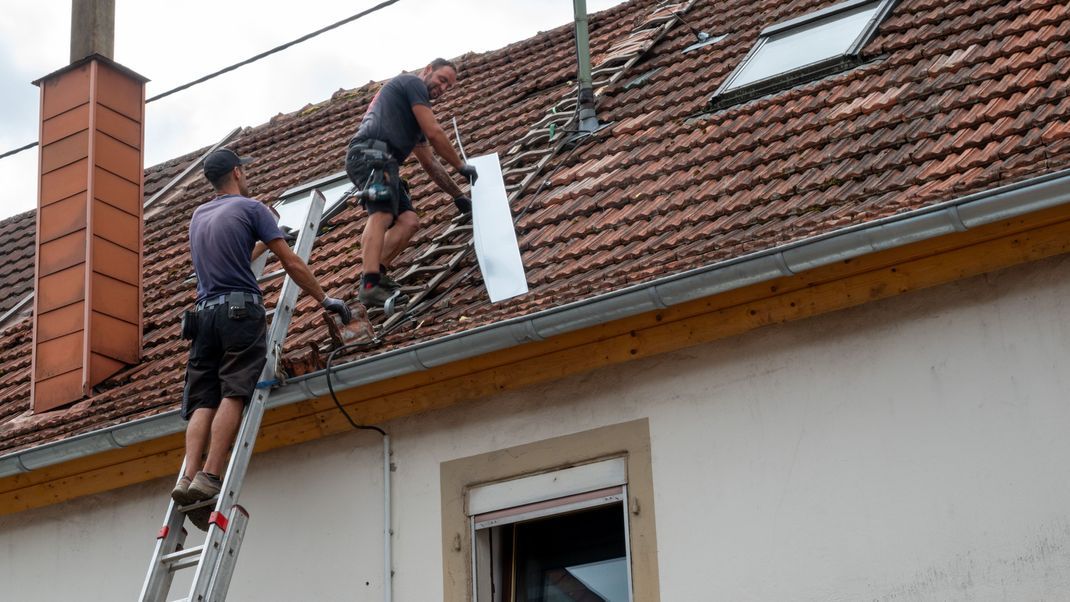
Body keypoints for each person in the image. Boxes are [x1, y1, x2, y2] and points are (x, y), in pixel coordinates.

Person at [172, 148, 352, 528]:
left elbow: (233, 255)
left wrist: (261, 242)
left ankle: (188, 478)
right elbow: (290, 262)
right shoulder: (254, 209)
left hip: (203, 316)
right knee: (235, 390)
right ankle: (210, 476)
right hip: (238, 313)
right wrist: (325, 298)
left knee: (203, 398)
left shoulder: (198, 216)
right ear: (237, 172)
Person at [345, 57, 479, 307]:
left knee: (408, 221)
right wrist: (461, 166)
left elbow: (430, 163)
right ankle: (370, 284)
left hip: (386, 161)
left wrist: (457, 196)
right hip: (371, 152)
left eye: (448, 86)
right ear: (428, 70)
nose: (443, 89)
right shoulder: (411, 84)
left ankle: (376, 275)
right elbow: (435, 132)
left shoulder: (412, 120)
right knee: (383, 213)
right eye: (441, 80)